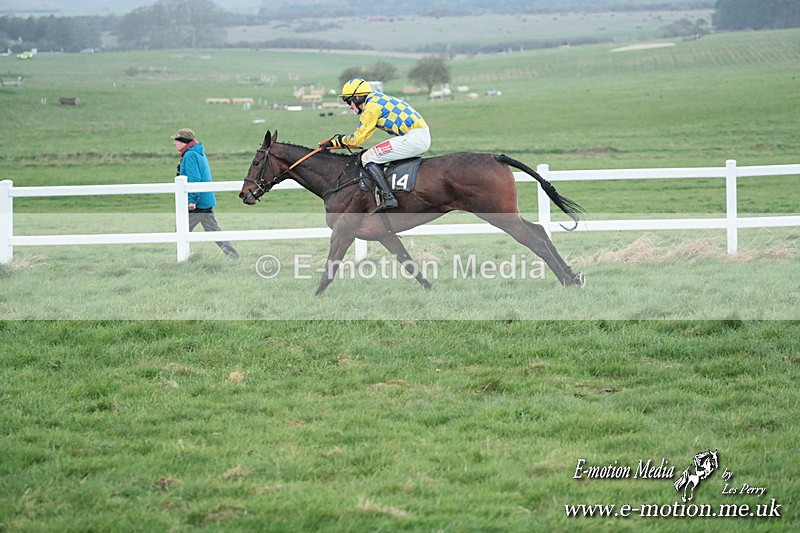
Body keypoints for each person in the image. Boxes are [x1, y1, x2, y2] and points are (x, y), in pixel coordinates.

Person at [320, 78, 431, 212]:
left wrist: (336, 141)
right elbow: (365, 134)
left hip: (414, 138)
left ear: (357, 97)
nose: (349, 106)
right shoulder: (376, 99)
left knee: (367, 157)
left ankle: (388, 197)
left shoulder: (371, 108)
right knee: (377, 154)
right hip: (417, 136)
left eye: (348, 101)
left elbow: (357, 139)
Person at [172, 128, 239, 259]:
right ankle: (234, 256)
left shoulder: (190, 155)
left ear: (183, 141)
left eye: (176, 141)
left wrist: (192, 200)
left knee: (181, 230)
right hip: (204, 200)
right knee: (213, 230)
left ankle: (183, 258)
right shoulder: (197, 151)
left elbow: (194, 178)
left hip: (198, 202)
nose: (174, 143)